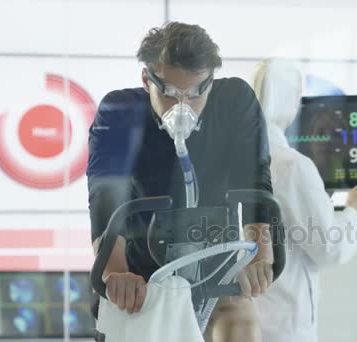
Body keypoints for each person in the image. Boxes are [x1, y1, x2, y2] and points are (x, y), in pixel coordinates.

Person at [87, 22, 273, 341]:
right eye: (170, 94)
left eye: (196, 92)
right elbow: (105, 204)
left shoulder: (234, 101)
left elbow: (257, 187)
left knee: (241, 318)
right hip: (141, 280)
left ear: (211, 82)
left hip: (215, 276)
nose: (183, 107)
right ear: (147, 80)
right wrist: (117, 273)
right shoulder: (119, 112)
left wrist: (261, 255)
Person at [251, 59, 357, 342]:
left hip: (242, 322)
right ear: (292, 102)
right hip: (285, 326)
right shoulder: (292, 166)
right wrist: (356, 210)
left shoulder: (236, 158)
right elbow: (329, 247)